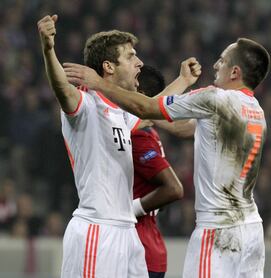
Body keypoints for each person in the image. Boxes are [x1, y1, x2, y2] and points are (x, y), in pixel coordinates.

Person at [64, 38, 270, 277]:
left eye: (222, 61)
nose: (215, 65)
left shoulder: (214, 99)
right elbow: (183, 129)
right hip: (252, 229)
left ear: (235, 72)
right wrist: (178, 85)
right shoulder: (256, 111)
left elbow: (146, 108)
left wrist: (99, 83)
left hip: (218, 230)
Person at [37, 14, 200, 278]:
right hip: (96, 230)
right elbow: (61, 88)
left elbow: (151, 106)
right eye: (131, 56)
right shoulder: (85, 104)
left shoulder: (121, 112)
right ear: (109, 67)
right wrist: (48, 48)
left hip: (127, 233)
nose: (140, 63)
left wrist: (182, 81)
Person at [132, 65, 184, 278]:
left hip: (139, 247)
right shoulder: (147, 130)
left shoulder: (138, 137)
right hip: (148, 245)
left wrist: (130, 209)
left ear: (139, 95)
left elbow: (173, 189)